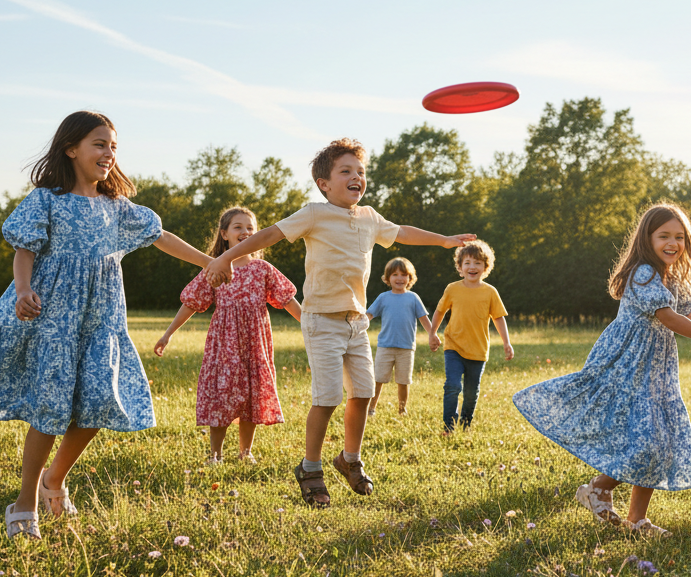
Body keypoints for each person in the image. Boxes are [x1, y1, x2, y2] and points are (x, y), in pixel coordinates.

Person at [0, 111, 213, 540]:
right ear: (72, 148)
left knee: (99, 400)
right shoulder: (47, 200)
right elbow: (24, 249)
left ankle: (56, 479)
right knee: (50, 407)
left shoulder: (116, 207)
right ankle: (25, 502)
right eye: (99, 144)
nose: (108, 153)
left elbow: (160, 236)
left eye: (113, 146)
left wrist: (210, 262)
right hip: (54, 316)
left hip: (101, 318)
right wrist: (21, 290)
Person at [204, 138, 473, 508]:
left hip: (356, 324)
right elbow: (269, 235)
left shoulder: (370, 218)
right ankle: (310, 468)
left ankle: (349, 458)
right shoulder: (314, 214)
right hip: (321, 322)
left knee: (362, 393)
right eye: (345, 171)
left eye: (360, 171)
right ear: (324, 184)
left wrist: (443, 241)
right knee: (328, 397)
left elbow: (403, 232)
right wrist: (227, 258)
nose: (356, 177)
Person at [513, 203, 691, 537]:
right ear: (647, 238)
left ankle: (635, 519)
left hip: (657, 368)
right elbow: (668, 317)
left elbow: (687, 314)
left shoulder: (672, 276)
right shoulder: (643, 272)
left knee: (657, 441)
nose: (672, 242)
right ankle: (599, 489)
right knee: (644, 440)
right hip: (628, 363)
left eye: (679, 236)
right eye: (664, 236)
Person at [153, 206, 301, 464]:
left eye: (250, 228)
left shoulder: (262, 269)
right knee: (223, 394)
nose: (245, 232)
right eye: (238, 227)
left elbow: (287, 299)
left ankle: (246, 453)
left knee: (251, 395)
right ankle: (215, 454)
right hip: (225, 344)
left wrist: (310, 324)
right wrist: (168, 334)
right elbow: (192, 302)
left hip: (255, 342)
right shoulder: (217, 268)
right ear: (224, 234)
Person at [428, 240, 513, 434]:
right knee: (452, 386)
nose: (472, 267)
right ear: (460, 267)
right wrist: (432, 333)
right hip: (453, 346)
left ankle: (465, 425)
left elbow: (499, 318)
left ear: (485, 267)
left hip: (478, 350)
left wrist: (506, 343)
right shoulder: (452, 289)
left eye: (477, 263)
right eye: (467, 262)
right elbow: (440, 312)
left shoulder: (490, 292)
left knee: (470, 393)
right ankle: (449, 427)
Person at [365, 257, 432, 417]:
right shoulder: (383, 297)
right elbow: (369, 314)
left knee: (403, 381)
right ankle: (371, 409)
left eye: (404, 274)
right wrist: (357, 326)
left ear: (410, 278)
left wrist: (432, 334)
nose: (400, 278)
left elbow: (424, 319)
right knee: (378, 379)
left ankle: (402, 410)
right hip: (385, 346)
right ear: (388, 278)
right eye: (395, 274)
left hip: (406, 348)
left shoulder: (413, 298)